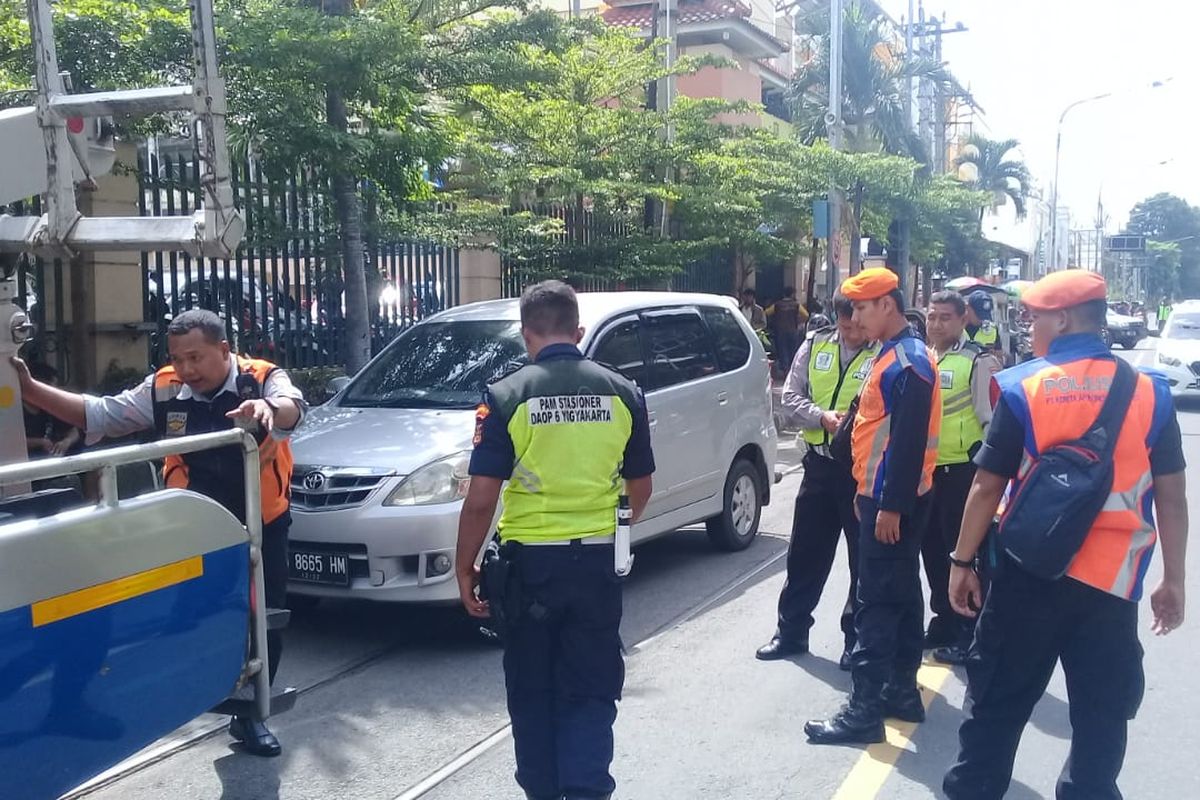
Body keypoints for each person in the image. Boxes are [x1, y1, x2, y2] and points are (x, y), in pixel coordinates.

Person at [11, 308, 306, 757]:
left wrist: (268, 408)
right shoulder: (164, 386)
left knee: (266, 617)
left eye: (196, 357)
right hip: (193, 527)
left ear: (224, 351)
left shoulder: (261, 379)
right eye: (177, 358)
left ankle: (252, 716)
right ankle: (184, 696)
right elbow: (100, 415)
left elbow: (291, 408)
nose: (186, 369)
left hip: (261, 523)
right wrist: (30, 389)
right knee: (191, 616)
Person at [942, 270, 1188, 800]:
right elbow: (1171, 497)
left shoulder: (1022, 386)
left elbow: (987, 487)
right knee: (1102, 719)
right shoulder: (1151, 394)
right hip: (1111, 589)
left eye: (1034, 319)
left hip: (1027, 576)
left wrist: (961, 564)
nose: (1029, 329)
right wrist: (1174, 580)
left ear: (1063, 318)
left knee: (995, 707)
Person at [456, 280, 655, 800]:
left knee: (531, 690)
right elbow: (642, 487)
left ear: (527, 336)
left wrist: (465, 567)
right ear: (580, 331)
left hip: (528, 572)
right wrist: (611, 531)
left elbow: (480, 499)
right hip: (595, 569)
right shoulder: (623, 392)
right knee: (591, 688)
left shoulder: (505, 396)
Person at [805, 267, 941, 745]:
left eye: (862, 308)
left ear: (887, 304)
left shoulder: (906, 362)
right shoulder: (897, 355)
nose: (856, 318)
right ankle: (901, 692)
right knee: (901, 594)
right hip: (888, 495)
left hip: (891, 499)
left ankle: (863, 711)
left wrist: (890, 506)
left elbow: (904, 444)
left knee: (875, 603)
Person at [756, 293, 877, 668]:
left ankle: (854, 640)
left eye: (859, 323)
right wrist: (821, 416)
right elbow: (790, 397)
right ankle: (791, 631)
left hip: (860, 471)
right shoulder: (816, 342)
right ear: (837, 318)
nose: (854, 331)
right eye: (846, 323)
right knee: (806, 554)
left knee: (863, 561)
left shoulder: (882, 353)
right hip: (819, 466)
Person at [919, 291, 1001, 665]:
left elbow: (991, 421)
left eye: (944, 318)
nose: (936, 324)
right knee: (932, 550)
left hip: (962, 475)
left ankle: (970, 632)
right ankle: (944, 619)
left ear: (962, 318)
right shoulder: (924, 356)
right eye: (932, 317)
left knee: (963, 554)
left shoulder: (977, 361)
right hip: (928, 473)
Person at [765, 286, 808, 377]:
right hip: (793, 330)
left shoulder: (777, 305)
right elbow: (806, 315)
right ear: (792, 294)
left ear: (783, 294)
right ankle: (792, 371)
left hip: (780, 331)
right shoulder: (796, 304)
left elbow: (766, 313)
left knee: (783, 351)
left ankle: (785, 371)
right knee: (792, 351)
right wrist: (798, 321)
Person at [965, 290, 1003, 358]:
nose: (981, 319)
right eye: (978, 314)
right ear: (968, 308)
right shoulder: (956, 329)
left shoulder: (993, 329)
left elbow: (1000, 355)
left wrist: (996, 358)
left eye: (985, 315)